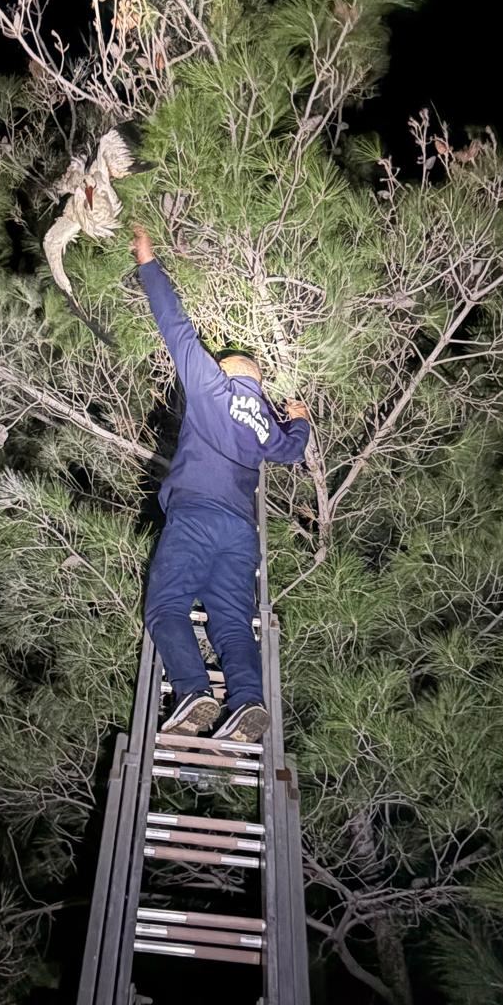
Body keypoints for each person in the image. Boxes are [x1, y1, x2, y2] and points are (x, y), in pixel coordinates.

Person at [132, 224, 310, 741]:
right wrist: (297, 418)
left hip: (196, 517)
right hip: (240, 534)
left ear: (228, 372)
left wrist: (149, 263)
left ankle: (193, 692)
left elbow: (177, 328)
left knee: (167, 608)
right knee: (230, 622)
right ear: (258, 384)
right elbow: (294, 449)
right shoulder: (265, 428)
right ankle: (248, 702)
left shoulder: (212, 387)